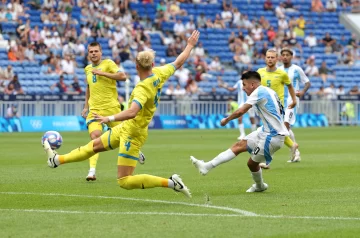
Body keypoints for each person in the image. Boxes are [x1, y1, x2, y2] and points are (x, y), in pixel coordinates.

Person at [42, 30, 201, 198]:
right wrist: (189, 45)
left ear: (137, 66)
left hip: (134, 133)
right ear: (152, 65)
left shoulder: (142, 88)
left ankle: (171, 183)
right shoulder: (160, 74)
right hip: (126, 127)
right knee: (94, 145)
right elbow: (178, 62)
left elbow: (132, 112)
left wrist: (108, 118)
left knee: (124, 181)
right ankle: (56, 160)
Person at [190, 71, 289, 193]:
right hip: (265, 131)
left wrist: (226, 120)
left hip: (272, 136)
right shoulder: (269, 91)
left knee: (251, 164)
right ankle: (206, 166)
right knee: (239, 145)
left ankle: (260, 186)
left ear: (252, 84)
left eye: (244, 84)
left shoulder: (258, 92)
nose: (242, 88)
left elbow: (240, 111)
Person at [82, 42, 144, 181]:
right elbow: (88, 88)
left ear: (101, 52)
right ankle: (91, 171)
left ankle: (136, 151)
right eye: (91, 51)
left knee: (125, 136)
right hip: (94, 111)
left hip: (112, 109)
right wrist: (86, 106)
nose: (93, 54)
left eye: (96, 51)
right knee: (95, 137)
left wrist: (102, 73)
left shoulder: (108, 63)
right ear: (88, 54)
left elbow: (123, 76)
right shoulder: (87, 69)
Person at [257, 49, 298, 166]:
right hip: (264, 107)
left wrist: (294, 100)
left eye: (272, 57)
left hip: (277, 108)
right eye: (268, 57)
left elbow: (290, 86)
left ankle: (266, 161)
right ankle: (292, 145)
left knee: (270, 133)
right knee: (277, 132)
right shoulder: (260, 72)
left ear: (276, 59)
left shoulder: (281, 73)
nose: (270, 59)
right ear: (265, 58)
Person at [278, 48, 311, 163]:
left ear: (291, 57)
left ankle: (295, 151)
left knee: (285, 126)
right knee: (285, 127)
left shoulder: (297, 69)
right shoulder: (278, 70)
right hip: (281, 101)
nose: (285, 57)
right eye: (283, 55)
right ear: (281, 57)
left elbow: (307, 82)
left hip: (292, 101)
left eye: (287, 55)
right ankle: (295, 152)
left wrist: (302, 92)